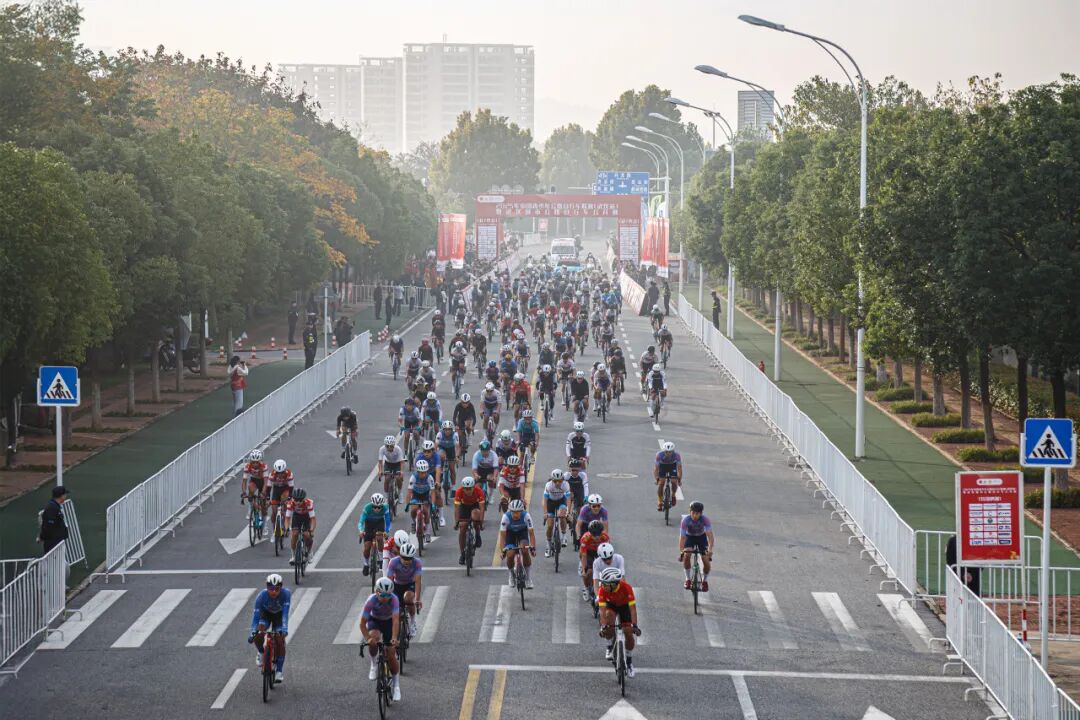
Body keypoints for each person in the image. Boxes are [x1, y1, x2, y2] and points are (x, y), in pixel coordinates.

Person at [360, 577, 402, 701]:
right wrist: (368, 638)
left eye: (388, 595)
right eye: (383, 595)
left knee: (391, 654)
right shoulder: (371, 601)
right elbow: (362, 624)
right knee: (374, 639)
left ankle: (396, 686)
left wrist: (394, 638)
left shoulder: (394, 600)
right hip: (375, 621)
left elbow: (395, 621)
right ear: (377, 592)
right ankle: (373, 664)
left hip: (389, 622)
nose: (385, 598)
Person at [597, 567, 640, 677]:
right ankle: (609, 646)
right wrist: (604, 626)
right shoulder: (602, 590)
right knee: (608, 621)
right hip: (611, 606)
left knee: (628, 632)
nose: (602, 586)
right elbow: (602, 611)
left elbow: (632, 609)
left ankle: (629, 662)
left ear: (614, 584)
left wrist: (634, 625)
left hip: (624, 607)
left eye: (605, 584)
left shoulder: (626, 588)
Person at [249, 573, 291, 683]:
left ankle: (279, 671)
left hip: (279, 616)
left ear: (281, 587)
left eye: (277, 589)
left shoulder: (286, 594)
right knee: (258, 631)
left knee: (280, 639)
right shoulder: (261, 596)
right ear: (266, 587)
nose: (274, 592)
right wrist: (253, 632)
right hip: (265, 615)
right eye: (271, 588)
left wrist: (284, 629)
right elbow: (256, 617)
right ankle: (261, 652)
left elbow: (285, 614)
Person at [386, 541, 423, 639]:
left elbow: (418, 582)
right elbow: (389, 581)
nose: (406, 561)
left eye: (409, 558)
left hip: (409, 585)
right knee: (396, 608)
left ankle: (412, 622)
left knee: (408, 598)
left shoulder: (417, 563)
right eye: (404, 558)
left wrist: (417, 600)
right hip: (396, 585)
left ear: (413, 557)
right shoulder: (393, 562)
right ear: (400, 555)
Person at [498, 499, 536, 589]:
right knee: (510, 554)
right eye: (513, 512)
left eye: (518, 512)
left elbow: (531, 533)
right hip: (510, 534)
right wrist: (502, 550)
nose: (515, 514)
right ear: (510, 511)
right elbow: (502, 536)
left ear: (521, 511)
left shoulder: (526, 516)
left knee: (525, 550)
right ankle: (511, 574)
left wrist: (533, 548)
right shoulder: (505, 517)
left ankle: (528, 578)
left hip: (522, 533)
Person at [679, 501, 714, 592]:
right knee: (687, 555)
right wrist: (681, 551)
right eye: (693, 513)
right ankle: (688, 579)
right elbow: (682, 537)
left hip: (701, 537)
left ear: (701, 513)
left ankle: (705, 581)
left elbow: (710, 536)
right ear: (690, 511)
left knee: (705, 560)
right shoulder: (685, 520)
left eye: (697, 513)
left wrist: (710, 549)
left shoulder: (705, 519)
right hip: (689, 537)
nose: (694, 515)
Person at [358, 493, 393, 576]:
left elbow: (388, 522)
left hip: (379, 523)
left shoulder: (385, 508)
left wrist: (386, 531)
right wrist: (361, 531)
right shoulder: (367, 508)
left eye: (379, 507)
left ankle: (380, 558)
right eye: (374, 507)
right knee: (367, 547)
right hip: (369, 524)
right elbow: (361, 522)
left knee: (380, 538)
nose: (377, 509)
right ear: (371, 505)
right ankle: (366, 564)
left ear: (382, 506)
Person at [454, 476, 486, 564]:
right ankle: (462, 554)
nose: (468, 491)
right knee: (462, 527)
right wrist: (457, 522)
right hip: (464, 507)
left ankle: (477, 534)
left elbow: (482, 508)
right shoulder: (459, 492)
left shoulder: (479, 491)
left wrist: (481, 522)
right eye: (466, 489)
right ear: (463, 488)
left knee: (476, 516)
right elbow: (457, 509)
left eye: (470, 489)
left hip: (474, 505)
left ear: (473, 487)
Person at [578, 519, 610, 600]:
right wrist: (584, 569)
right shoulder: (585, 538)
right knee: (588, 572)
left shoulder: (605, 537)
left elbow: (607, 553)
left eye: (599, 534)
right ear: (590, 533)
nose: (597, 537)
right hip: (588, 552)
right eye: (594, 535)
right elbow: (584, 555)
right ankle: (586, 588)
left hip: (600, 551)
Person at [542, 469, 571, 557]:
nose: (557, 483)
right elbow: (545, 501)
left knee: (562, 516)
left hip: (561, 501)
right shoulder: (549, 485)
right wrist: (545, 513)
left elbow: (568, 500)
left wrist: (568, 512)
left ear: (562, 480)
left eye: (560, 481)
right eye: (555, 481)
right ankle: (548, 545)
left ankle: (563, 535)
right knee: (550, 525)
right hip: (550, 502)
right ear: (552, 480)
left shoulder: (565, 485)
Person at [284, 488, 316, 564]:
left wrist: (312, 530)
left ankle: (309, 551)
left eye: (300, 500)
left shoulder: (309, 503)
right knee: (294, 534)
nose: (298, 502)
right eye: (296, 500)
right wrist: (287, 529)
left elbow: (313, 519)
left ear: (304, 499)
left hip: (306, 517)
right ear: (293, 499)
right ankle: (293, 556)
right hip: (296, 517)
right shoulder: (290, 503)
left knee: (306, 535)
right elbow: (287, 518)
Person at [39, 485, 69, 554]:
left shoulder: (55, 506)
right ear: (62, 496)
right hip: (52, 543)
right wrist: (42, 537)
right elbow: (48, 526)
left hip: (56, 542)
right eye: (65, 494)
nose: (66, 496)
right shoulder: (52, 508)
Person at [654, 441, 683, 510]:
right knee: (661, 483)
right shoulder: (659, 455)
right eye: (666, 452)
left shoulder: (677, 456)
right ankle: (660, 500)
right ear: (664, 451)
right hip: (662, 466)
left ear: (673, 451)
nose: (668, 454)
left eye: (670, 452)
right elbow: (656, 468)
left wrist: (679, 479)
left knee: (674, 481)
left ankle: (673, 495)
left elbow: (679, 468)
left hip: (672, 466)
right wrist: (656, 478)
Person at [267, 459, 294, 531]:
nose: (280, 475)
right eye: (278, 473)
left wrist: (289, 498)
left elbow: (291, 487)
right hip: (276, 490)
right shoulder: (272, 475)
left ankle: (286, 519)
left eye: (282, 472)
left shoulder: (289, 474)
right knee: (274, 511)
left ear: (284, 470)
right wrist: (267, 498)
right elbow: (268, 487)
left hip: (285, 489)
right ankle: (274, 529)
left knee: (285, 500)